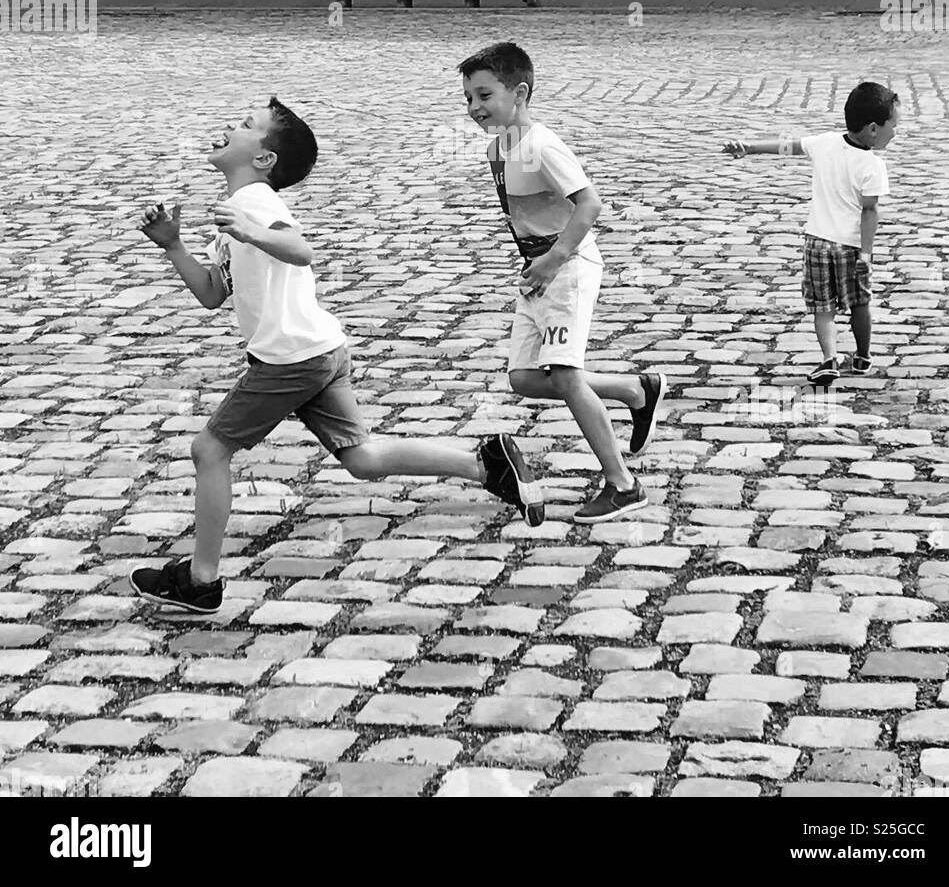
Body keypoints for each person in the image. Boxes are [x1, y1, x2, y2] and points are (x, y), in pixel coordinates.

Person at [129, 96, 544, 615]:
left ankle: (199, 581)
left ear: (264, 159)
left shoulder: (254, 203)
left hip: (290, 359)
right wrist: (172, 245)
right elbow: (213, 293)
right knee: (361, 459)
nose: (228, 126)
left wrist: (248, 230)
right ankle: (487, 466)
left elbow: (301, 250)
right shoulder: (239, 211)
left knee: (208, 450)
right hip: (319, 349)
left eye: (244, 125)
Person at [457, 43, 667, 524]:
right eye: (468, 98)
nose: (474, 108)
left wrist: (553, 259)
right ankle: (636, 390)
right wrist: (534, 268)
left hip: (567, 268)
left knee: (568, 377)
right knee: (525, 378)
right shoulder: (499, 148)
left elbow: (589, 205)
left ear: (521, 93)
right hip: (539, 271)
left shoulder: (542, 146)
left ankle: (623, 485)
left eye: (484, 95)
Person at [723, 80, 899, 387]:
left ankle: (829, 358)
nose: (894, 133)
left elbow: (788, 146)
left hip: (816, 243)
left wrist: (750, 148)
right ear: (873, 129)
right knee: (860, 303)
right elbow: (869, 212)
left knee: (822, 307)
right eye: (892, 126)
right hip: (851, 248)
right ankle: (862, 356)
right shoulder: (873, 165)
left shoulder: (825, 142)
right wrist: (867, 253)